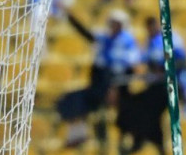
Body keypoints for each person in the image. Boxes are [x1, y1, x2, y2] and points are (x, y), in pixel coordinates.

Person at [116, 17, 186, 155]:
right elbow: (143, 61)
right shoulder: (151, 43)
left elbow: (183, 61)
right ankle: (143, 142)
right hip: (156, 87)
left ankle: (140, 140)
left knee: (145, 110)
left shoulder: (171, 40)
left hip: (167, 87)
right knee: (144, 112)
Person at [57, 8, 141, 147]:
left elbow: (131, 66)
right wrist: (71, 18)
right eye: (112, 23)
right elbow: (86, 34)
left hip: (118, 87)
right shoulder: (103, 39)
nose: (114, 26)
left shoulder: (127, 42)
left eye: (117, 23)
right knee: (71, 100)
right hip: (99, 86)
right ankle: (78, 134)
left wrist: (115, 87)